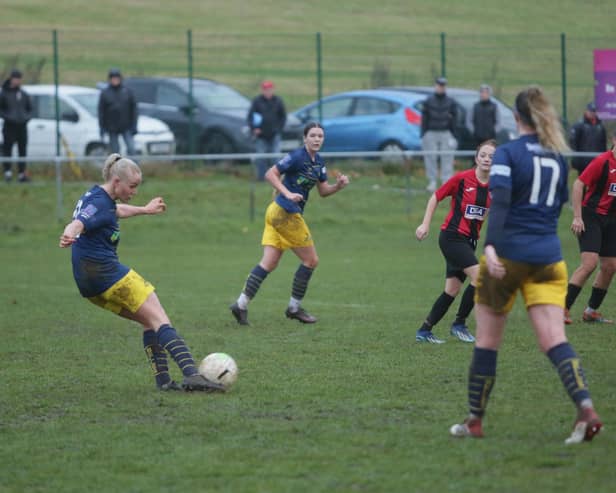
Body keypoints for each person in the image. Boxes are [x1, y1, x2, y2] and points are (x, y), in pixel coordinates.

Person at [450, 86, 602, 444]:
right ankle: (586, 410)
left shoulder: (507, 154)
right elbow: (554, 207)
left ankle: (475, 421)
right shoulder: (556, 157)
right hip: (549, 258)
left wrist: (489, 248)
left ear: (516, 117)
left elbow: (500, 205)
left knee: (487, 341)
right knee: (554, 339)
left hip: (506, 257)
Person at [59, 153, 224, 393]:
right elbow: (79, 222)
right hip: (107, 273)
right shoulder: (98, 202)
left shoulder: (99, 197)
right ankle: (192, 375)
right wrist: (69, 232)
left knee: (149, 322)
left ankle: (164, 382)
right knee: (160, 319)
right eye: (132, 186)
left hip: (89, 285)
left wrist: (145, 210)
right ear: (116, 182)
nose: (134, 191)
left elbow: (115, 210)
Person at [230, 122, 349, 325]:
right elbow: (270, 173)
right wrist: (287, 193)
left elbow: (323, 191)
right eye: (313, 135)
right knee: (311, 260)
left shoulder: (319, 162)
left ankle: (240, 305)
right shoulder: (296, 156)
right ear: (305, 138)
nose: (317, 139)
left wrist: (338, 186)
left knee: (269, 263)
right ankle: (294, 308)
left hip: (276, 213)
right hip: (285, 213)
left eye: (320, 136)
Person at [415, 140, 495, 344]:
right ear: (476, 158)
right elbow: (436, 196)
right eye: (483, 155)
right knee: (480, 278)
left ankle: (424, 330)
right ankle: (459, 324)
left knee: (451, 289)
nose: (487, 159)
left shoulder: (496, 185)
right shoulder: (462, 179)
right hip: (452, 237)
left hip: (470, 241)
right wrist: (425, 225)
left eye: (491, 156)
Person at [564, 130, 616, 324]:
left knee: (610, 266)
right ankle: (563, 309)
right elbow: (578, 184)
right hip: (590, 216)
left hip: (611, 219)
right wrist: (577, 217)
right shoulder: (602, 161)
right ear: (614, 140)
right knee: (589, 263)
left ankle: (591, 312)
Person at [421, 77, 458, 192]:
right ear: (435, 86)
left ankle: (446, 181)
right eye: (439, 85)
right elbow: (424, 118)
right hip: (431, 132)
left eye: (443, 86)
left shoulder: (450, 101)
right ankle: (432, 181)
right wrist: (423, 133)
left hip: (445, 132)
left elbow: (454, 118)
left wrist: (453, 134)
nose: (441, 88)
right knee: (430, 157)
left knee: (447, 156)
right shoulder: (428, 101)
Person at [247, 80, 287, 181]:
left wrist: (279, 129)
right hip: (261, 136)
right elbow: (250, 117)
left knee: (276, 158)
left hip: (274, 135)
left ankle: (276, 179)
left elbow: (283, 117)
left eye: (269, 89)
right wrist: (254, 128)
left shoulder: (278, 101)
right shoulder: (257, 101)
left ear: (273, 90)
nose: (267, 91)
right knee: (261, 158)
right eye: (265, 89)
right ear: (262, 90)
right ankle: (262, 178)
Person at [0, 69, 32, 182]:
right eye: (16, 78)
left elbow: (29, 109)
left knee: (22, 150)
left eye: (19, 79)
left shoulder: (23, 94)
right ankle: (7, 172)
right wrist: (9, 117)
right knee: (7, 149)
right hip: (9, 126)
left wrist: (25, 118)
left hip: (22, 126)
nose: (18, 81)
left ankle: (21, 174)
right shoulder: (3, 93)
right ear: (11, 79)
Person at [98, 68, 138, 155]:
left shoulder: (127, 92)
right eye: (113, 78)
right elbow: (101, 112)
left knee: (131, 148)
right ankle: (116, 168)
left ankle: (134, 167)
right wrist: (102, 127)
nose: (115, 80)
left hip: (126, 126)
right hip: (112, 128)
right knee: (115, 152)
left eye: (116, 78)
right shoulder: (105, 93)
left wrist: (134, 125)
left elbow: (134, 110)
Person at [568, 102, 606, 175]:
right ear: (586, 111)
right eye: (591, 111)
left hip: (597, 160)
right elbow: (573, 143)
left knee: (597, 182)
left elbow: (603, 144)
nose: (593, 113)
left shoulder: (600, 126)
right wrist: (576, 159)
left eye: (594, 111)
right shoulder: (579, 125)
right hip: (583, 161)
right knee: (582, 183)